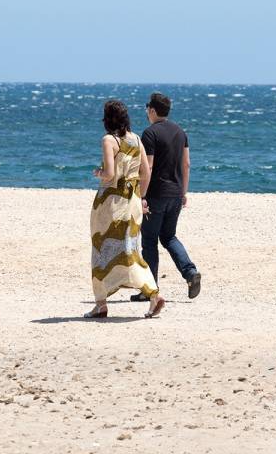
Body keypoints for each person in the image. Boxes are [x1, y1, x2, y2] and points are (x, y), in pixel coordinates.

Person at [86, 100, 165, 318]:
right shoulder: (137, 139)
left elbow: (110, 174)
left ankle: (101, 303)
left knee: (101, 249)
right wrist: (141, 197)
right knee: (131, 250)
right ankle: (152, 294)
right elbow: (146, 173)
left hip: (110, 203)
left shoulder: (109, 140)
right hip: (132, 202)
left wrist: (98, 173)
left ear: (107, 118)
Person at [131, 92, 201, 302]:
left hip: (156, 195)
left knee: (150, 241)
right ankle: (190, 272)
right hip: (175, 194)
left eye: (147, 109)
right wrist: (184, 192)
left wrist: (141, 195)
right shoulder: (180, 132)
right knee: (169, 236)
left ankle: (149, 289)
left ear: (152, 110)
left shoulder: (150, 133)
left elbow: (148, 167)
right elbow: (186, 164)